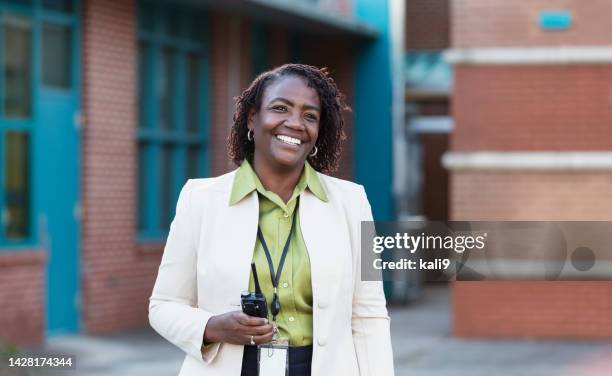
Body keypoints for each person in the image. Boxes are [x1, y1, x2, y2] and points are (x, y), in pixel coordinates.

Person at [149, 64, 394, 376]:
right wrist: (212, 327)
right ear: (253, 118)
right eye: (280, 108)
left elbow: (369, 314)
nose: (295, 123)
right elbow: (163, 306)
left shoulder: (352, 202)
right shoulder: (200, 199)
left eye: (310, 115)